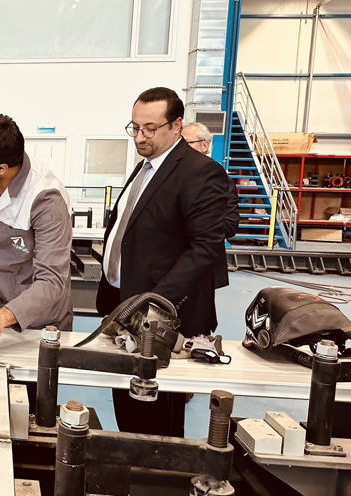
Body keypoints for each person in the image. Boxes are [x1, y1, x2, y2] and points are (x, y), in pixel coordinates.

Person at [97, 87, 229, 437]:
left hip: (162, 318)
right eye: (135, 127)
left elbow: (204, 248)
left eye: (150, 128)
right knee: (128, 409)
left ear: (176, 125)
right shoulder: (146, 168)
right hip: (125, 310)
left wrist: (154, 302)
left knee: (157, 424)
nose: (140, 136)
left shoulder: (199, 172)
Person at [0, 114, 73, 361]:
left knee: (35, 382)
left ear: (1, 168)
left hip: (40, 319)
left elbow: (52, 281)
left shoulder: (46, 198)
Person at [182, 122, 240, 292]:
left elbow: (230, 225)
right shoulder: (174, 178)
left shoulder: (220, 180)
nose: (181, 149)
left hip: (201, 265)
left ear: (205, 145)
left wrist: (193, 228)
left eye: (187, 143)